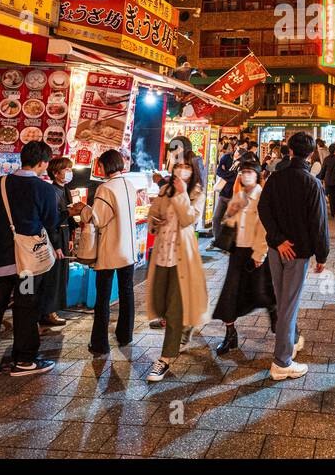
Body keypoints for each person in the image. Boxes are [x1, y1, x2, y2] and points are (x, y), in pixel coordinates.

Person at [0, 140, 58, 381]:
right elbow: (51, 221)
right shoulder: (44, 189)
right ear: (41, 163)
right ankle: (24, 360)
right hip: (25, 267)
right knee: (25, 307)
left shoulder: (0, 184)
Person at [257, 130, 329, 380]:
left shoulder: (276, 178)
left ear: (289, 150)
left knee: (283, 301)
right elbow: (318, 223)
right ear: (310, 154)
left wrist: (277, 239)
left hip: (277, 250)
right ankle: (281, 361)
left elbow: (263, 208)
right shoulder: (311, 183)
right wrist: (322, 255)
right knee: (288, 305)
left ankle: (289, 342)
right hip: (297, 253)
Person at [143, 160, 209, 381]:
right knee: (160, 304)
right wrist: (154, 221)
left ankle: (165, 358)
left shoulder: (196, 192)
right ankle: (186, 323)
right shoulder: (165, 189)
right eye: (179, 166)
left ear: (193, 171)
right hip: (162, 254)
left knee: (173, 309)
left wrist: (181, 194)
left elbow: (189, 218)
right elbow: (153, 214)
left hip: (182, 257)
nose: (182, 170)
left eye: (187, 167)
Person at [212, 157, 276, 353]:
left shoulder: (263, 197)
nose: (245, 175)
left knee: (264, 295)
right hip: (237, 252)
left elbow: (265, 229)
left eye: (250, 172)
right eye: (243, 171)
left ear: (257, 175)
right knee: (229, 296)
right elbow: (228, 222)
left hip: (255, 254)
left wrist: (259, 254)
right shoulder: (239, 196)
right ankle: (230, 335)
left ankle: (285, 331)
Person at [86, 149, 139, 354]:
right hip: (128, 249)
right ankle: (125, 335)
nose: (98, 168)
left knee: (103, 297)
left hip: (110, 250)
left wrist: (83, 210)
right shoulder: (130, 185)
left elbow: (98, 219)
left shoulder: (105, 189)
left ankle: (100, 344)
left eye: (99, 164)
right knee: (127, 292)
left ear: (105, 166)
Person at [38, 156, 79, 332]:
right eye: (66, 169)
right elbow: (51, 220)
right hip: (54, 236)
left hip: (63, 235)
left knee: (61, 275)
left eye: (70, 169)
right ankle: (48, 312)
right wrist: (56, 246)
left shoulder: (66, 190)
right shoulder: (51, 191)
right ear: (56, 173)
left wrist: (70, 237)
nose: (69, 172)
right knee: (53, 277)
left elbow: (69, 218)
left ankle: (53, 309)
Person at [211, 140, 237, 239]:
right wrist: (229, 175)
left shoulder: (242, 161)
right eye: (238, 148)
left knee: (230, 221)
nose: (237, 150)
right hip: (223, 193)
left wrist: (226, 174)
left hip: (234, 195)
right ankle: (216, 239)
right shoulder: (226, 157)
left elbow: (236, 177)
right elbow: (218, 171)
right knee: (216, 217)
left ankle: (228, 242)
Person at [320, 142, 335, 218]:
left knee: (330, 196)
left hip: (328, 179)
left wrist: (321, 178)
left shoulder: (326, 159)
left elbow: (323, 170)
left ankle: (332, 211)